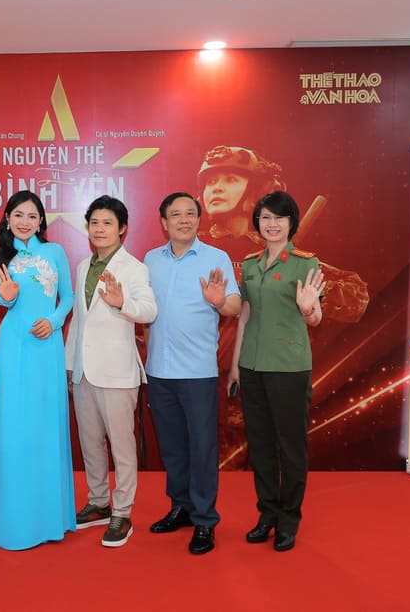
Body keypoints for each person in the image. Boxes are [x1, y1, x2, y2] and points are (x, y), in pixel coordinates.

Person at [195, 145, 369, 468]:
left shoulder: (278, 252)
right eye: (210, 181)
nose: (216, 188)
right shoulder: (194, 252)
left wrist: (300, 288)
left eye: (231, 179)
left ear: (257, 190)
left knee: (270, 472)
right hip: (206, 390)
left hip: (268, 382)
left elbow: (356, 299)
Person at [227, 191, 325, 553]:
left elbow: (316, 318)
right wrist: (235, 366)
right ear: (257, 222)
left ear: (291, 223)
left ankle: (288, 519)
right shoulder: (250, 264)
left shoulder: (305, 263)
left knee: (291, 447)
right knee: (261, 446)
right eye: (266, 217)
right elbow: (245, 316)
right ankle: (267, 514)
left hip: (288, 367)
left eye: (279, 218)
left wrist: (308, 308)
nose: (272, 224)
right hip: (252, 366)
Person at [144, 192, 240, 555]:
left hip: (198, 371)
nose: (183, 220)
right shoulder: (151, 260)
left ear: (199, 219)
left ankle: (204, 519)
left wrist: (219, 300)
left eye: (190, 214)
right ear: (164, 222)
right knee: (172, 448)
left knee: (201, 448)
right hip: (159, 370)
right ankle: (181, 507)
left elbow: (234, 305)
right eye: (175, 214)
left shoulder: (216, 258)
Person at [0, 190, 75, 550]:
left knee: (46, 425)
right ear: (7, 219)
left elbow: (68, 297)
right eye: (18, 215)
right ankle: (15, 521)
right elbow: (0, 299)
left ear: (41, 222)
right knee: (15, 428)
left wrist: (53, 321)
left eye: (32, 216)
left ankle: (51, 519)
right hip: (14, 347)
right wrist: (6, 295)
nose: (25, 222)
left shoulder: (55, 252)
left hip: (46, 345)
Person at [65, 195, 157, 548]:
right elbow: (79, 321)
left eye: (107, 223)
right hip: (83, 372)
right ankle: (99, 502)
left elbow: (148, 310)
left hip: (117, 372)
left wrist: (123, 304)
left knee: (121, 446)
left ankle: (122, 512)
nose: (99, 229)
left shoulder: (134, 268)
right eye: (94, 223)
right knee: (90, 443)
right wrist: (69, 365)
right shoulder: (82, 267)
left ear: (122, 229)